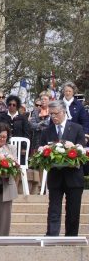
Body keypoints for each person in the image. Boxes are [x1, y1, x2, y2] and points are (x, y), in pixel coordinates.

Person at [40, 100, 85, 236]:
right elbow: (41, 150)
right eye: (51, 114)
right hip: (55, 176)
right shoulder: (47, 131)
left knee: (73, 211)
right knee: (53, 209)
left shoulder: (77, 128)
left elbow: (82, 150)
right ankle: (52, 236)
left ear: (64, 112)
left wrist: (74, 149)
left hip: (74, 176)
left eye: (56, 114)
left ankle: (71, 239)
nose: (53, 117)